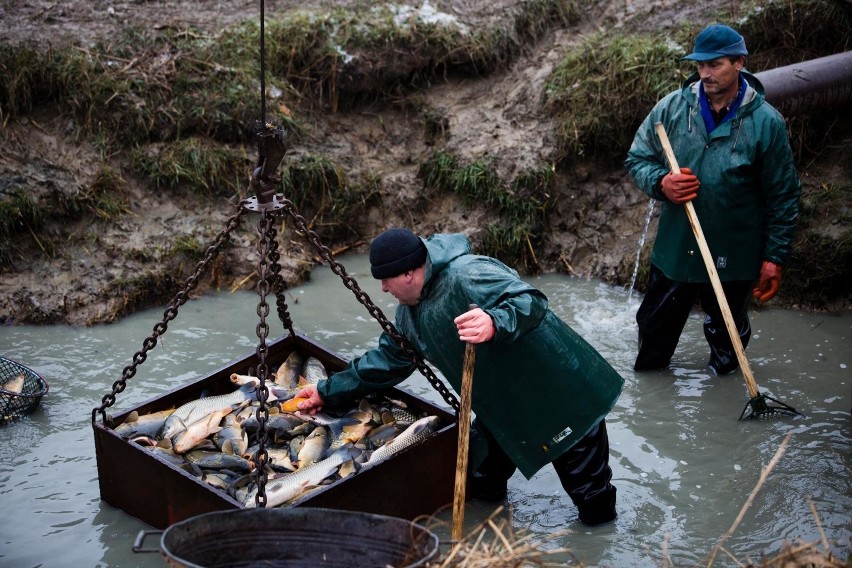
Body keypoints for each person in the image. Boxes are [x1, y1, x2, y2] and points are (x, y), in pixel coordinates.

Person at [296, 228, 624, 526]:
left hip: (562, 397)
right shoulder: (408, 314)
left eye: (386, 280)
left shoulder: (469, 273)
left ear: (409, 273)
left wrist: (494, 321)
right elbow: (386, 360)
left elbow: (530, 301)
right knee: (479, 482)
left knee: (590, 496)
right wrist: (327, 391)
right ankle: (493, 542)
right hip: (503, 408)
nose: (382, 288)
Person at [624, 23, 801, 375]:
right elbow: (637, 159)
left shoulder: (767, 123)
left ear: (739, 63)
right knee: (653, 341)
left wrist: (774, 257)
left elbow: (783, 194)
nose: (705, 73)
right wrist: (662, 183)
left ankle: (725, 398)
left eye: (715, 64)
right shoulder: (672, 109)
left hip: (733, 253)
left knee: (728, 348)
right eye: (700, 64)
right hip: (676, 251)